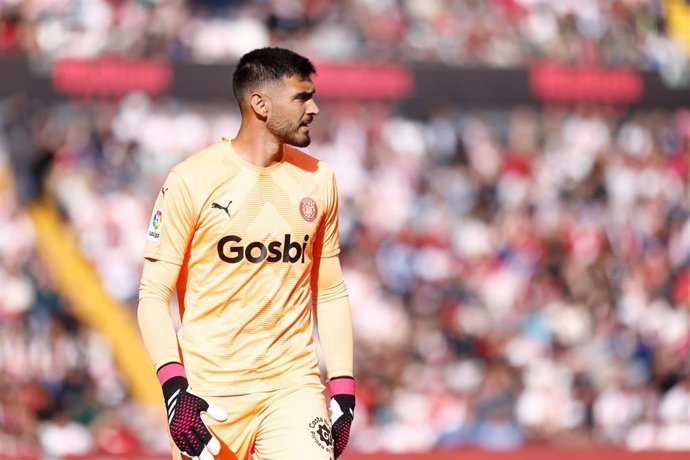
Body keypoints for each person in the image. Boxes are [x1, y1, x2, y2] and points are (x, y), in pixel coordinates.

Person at [137, 47, 355, 460]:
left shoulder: (319, 179)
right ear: (260, 104)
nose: (316, 108)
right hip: (210, 395)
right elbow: (152, 295)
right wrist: (173, 391)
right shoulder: (191, 180)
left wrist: (343, 388)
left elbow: (329, 291)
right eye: (302, 97)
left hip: (292, 386)